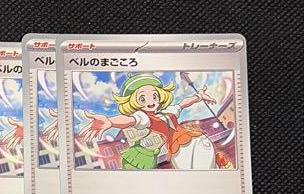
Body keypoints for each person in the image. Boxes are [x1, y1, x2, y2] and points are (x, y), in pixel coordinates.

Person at [77, 73, 218, 170]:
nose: (151, 101)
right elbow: (130, 120)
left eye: (154, 96)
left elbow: (183, 104)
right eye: (143, 98)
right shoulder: (144, 118)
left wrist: (199, 96)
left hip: (195, 140)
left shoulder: (168, 111)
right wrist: (110, 121)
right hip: (177, 151)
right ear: (133, 102)